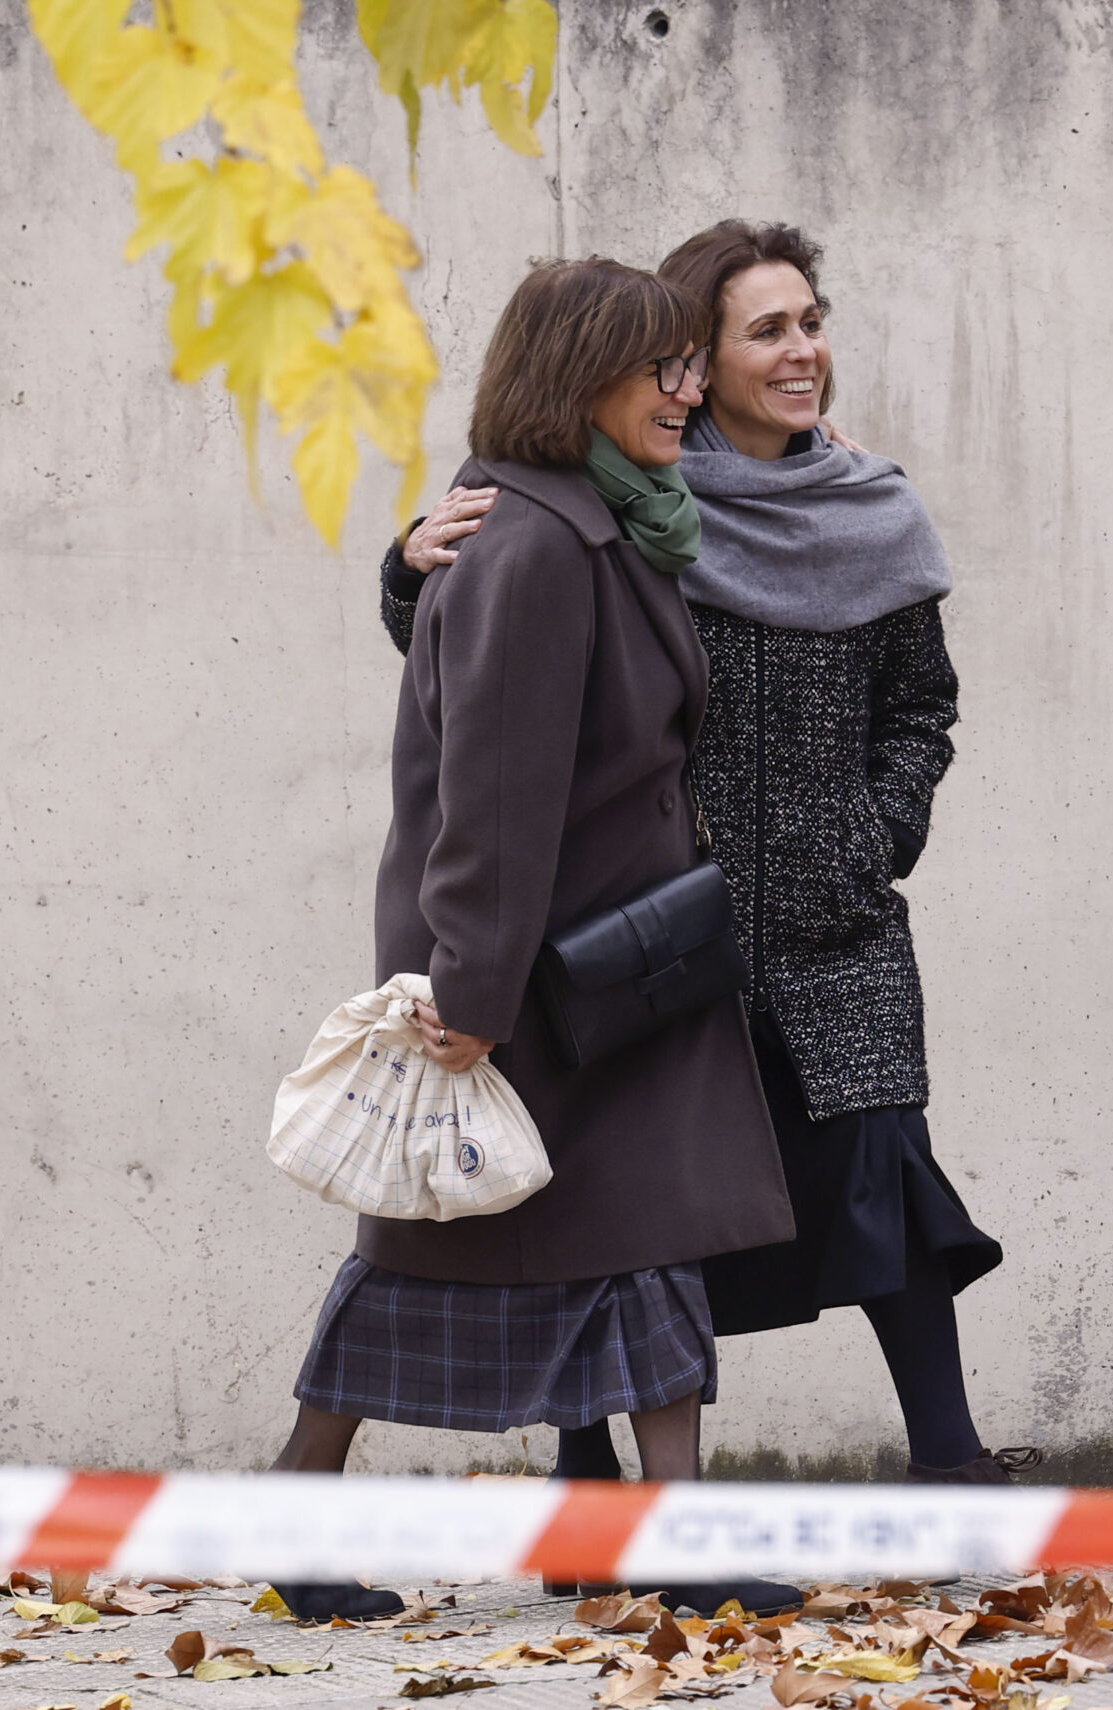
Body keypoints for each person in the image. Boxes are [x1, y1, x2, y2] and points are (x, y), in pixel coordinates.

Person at [385, 222, 1032, 1493]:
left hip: (834, 922)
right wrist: (408, 565)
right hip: (652, 924)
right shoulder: (620, 499)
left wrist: (874, 836)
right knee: (619, 1205)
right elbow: (478, 652)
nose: (801, 353)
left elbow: (921, 706)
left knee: (881, 1164)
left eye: (811, 324)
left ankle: (951, 1466)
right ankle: (587, 1482)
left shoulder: (870, 504)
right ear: (692, 359)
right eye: (765, 331)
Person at [272, 257, 799, 1619]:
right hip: (541, 975)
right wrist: (473, 991)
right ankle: (296, 1508)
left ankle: (674, 1540)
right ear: (577, 381)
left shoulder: (603, 520)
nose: (688, 389)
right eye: (662, 368)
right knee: (425, 1258)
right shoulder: (536, 546)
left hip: (619, 972)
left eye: (691, 364)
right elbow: (491, 796)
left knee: (650, 1241)